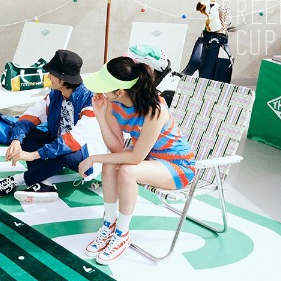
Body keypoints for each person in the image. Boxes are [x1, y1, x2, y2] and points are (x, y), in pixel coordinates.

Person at [78, 56, 196, 265]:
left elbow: (135, 157)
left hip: (177, 166)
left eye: (104, 87)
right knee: (110, 163)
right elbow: (116, 148)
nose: (100, 92)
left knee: (127, 170)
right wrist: (101, 116)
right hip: (149, 159)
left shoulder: (155, 109)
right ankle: (109, 225)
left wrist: (93, 158)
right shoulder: (113, 104)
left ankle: (122, 234)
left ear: (119, 91)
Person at [0, 49, 106, 203]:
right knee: (28, 135)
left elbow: (73, 141)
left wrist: (33, 155)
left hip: (85, 154)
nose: (48, 76)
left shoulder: (90, 99)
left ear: (63, 78)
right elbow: (31, 115)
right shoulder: (55, 94)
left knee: (65, 153)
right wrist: (16, 140)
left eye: (52, 73)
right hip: (59, 144)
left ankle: (18, 180)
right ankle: (44, 184)